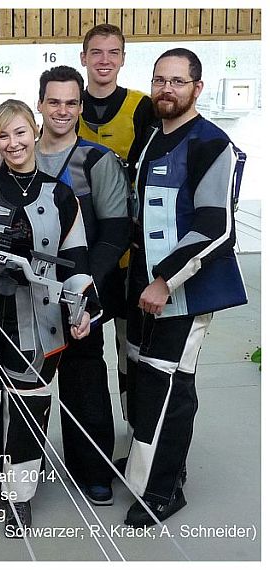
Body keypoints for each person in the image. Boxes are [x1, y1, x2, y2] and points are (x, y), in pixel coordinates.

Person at [0, 99, 99, 534]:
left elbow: (77, 261)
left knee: (30, 410)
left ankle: (18, 496)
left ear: (35, 131)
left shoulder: (62, 196)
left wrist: (82, 310)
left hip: (41, 324)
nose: (13, 143)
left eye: (20, 132)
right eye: (3, 136)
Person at [124, 48, 247, 527]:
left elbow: (216, 227)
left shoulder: (211, 144)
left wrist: (164, 280)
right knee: (142, 376)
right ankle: (149, 465)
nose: (166, 89)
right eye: (160, 80)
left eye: (177, 81)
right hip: (142, 285)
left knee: (169, 383)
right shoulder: (151, 137)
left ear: (197, 88)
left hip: (182, 290)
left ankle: (163, 489)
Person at [35, 66, 130, 506]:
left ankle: (93, 470)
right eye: (54, 102)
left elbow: (116, 229)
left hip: (82, 291)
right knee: (25, 382)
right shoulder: (20, 152)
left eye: (71, 103)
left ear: (80, 106)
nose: (63, 110)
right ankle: (20, 469)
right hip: (29, 291)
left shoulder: (96, 160)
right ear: (40, 103)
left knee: (85, 378)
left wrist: (89, 280)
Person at [79, 23, 158, 430]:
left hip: (130, 251)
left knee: (132, 345)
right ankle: (92, 438)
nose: (104, 60)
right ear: (84, 58)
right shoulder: (68, 106)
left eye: (113, 52)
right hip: (83, 250)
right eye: (96, 52)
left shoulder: (142, 107)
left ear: (123, 59)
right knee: (84, 347)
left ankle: (136, 429)